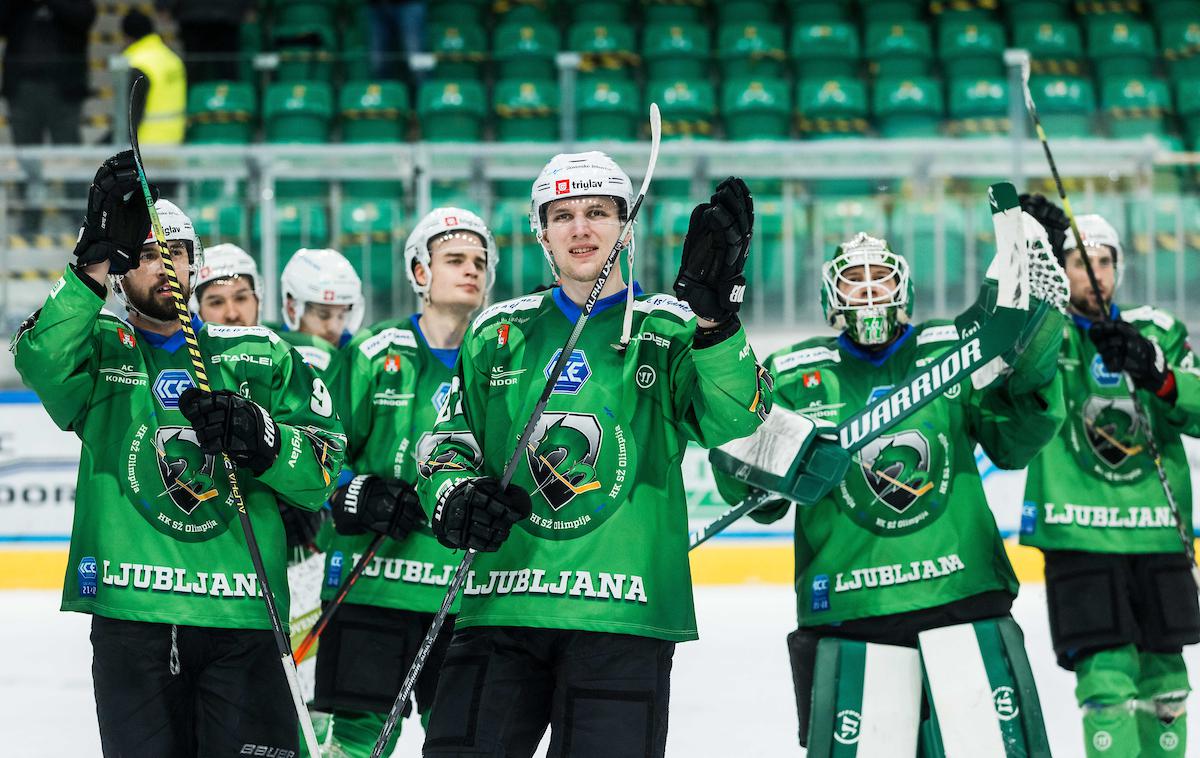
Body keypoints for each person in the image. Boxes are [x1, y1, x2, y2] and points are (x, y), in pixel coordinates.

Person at [416, 152, 771, 757]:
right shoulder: (498, 331)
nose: (581, 229)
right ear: (541, 231)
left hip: (622, 616)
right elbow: (449, 443)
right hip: (501, 606)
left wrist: (717, 324)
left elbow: (737, 419)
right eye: (563, 215)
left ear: (626, 225)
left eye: (598, 212)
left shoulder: (674, 329)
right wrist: (454, 496)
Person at [9, 152, 345, 757]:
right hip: (133, 616)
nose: (163, 264)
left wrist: (263, 440)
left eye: (176, 251)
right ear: (119, 272)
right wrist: (89, 261)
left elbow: (323, 470)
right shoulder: (101, 347)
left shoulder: (260, 353)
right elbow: (39, 359)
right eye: (141, 254)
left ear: (195, 263)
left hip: (244, 618)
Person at [722, 225, 1066, 756]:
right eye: (853, 281)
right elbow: (750, 492)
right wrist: (771, 462)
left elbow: (1014, 440)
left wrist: (1034, 351)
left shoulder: (954, 349)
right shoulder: (790, 373)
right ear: (830, 296)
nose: (868, 291)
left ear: (902, 288)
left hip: (962, 598)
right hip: (849, 612)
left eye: (879, 278)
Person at [311, 207, 498, 756]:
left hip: (465, 597)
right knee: (358, 741)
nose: (472, 271)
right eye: (455, 260)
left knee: (463, 742)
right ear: (420, 273)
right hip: (373, 589)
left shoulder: (502, 357)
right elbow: (316, 452)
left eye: (480, 262)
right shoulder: (372, 352)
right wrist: (355, 493)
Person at [1019, 196, 1200, 757]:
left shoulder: (1158, 331)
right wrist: (1038, 285)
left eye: (1103, 262)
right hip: (1080, 533)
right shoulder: (1046, 332)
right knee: (1105, 682)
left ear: (1118, 268)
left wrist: (1158, 374)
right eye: (1079, 262)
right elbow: (1021, 375)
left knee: (1168, 683)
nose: (1094, 273)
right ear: (1061, 268)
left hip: (1156, 530)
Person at [0, 0, 95, 145]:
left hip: (65, 87)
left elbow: (84, 18)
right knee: (25, 150)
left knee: (67, 146)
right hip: (22, 85)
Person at [276, 247, 366, 378]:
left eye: (342, 315)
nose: (334, 328)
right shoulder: (270, 352)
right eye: (323, 315)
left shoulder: (357, 356)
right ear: (292, 309)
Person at [121, 9, 186, 145]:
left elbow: (130, 118)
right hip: (175, 142)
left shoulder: (136, 63)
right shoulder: (173, 59)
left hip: (145, 147)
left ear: (127, 36)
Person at [155, 0, 248, 82]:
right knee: (222, 65)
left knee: (222, 65)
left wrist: (163, 5)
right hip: (202, 15)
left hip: (197, 14)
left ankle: (229, 96)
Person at [191, 242, 261, 327]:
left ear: (257, 300)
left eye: (240, 298)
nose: (232, 315)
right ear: (197, 310)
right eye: (217, 303)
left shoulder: (278, 340)